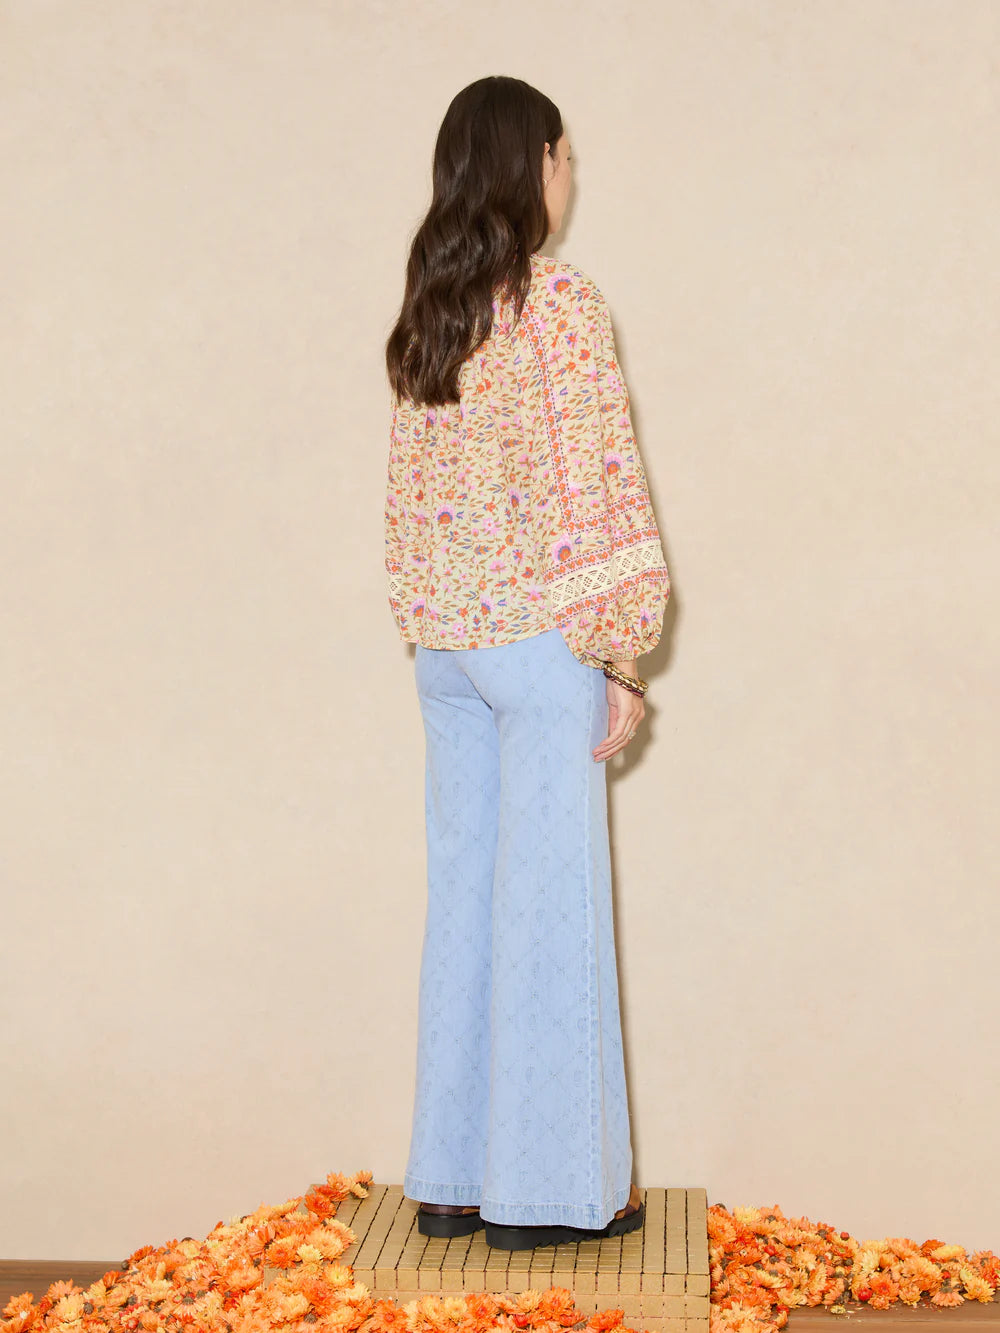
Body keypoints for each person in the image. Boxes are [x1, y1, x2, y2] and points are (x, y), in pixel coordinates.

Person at [383, 75, 671, 1252]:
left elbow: (413, 497)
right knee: (548, 907)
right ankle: (546, 1196)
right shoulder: (557, 303)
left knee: (465, 900)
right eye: (565, 157)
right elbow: (595, 481)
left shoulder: (432, 316)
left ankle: (452, 1181)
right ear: (534, 162)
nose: (571, 176)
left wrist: (434, 617)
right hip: (534, 641)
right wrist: (620, 650)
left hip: (444, 649)